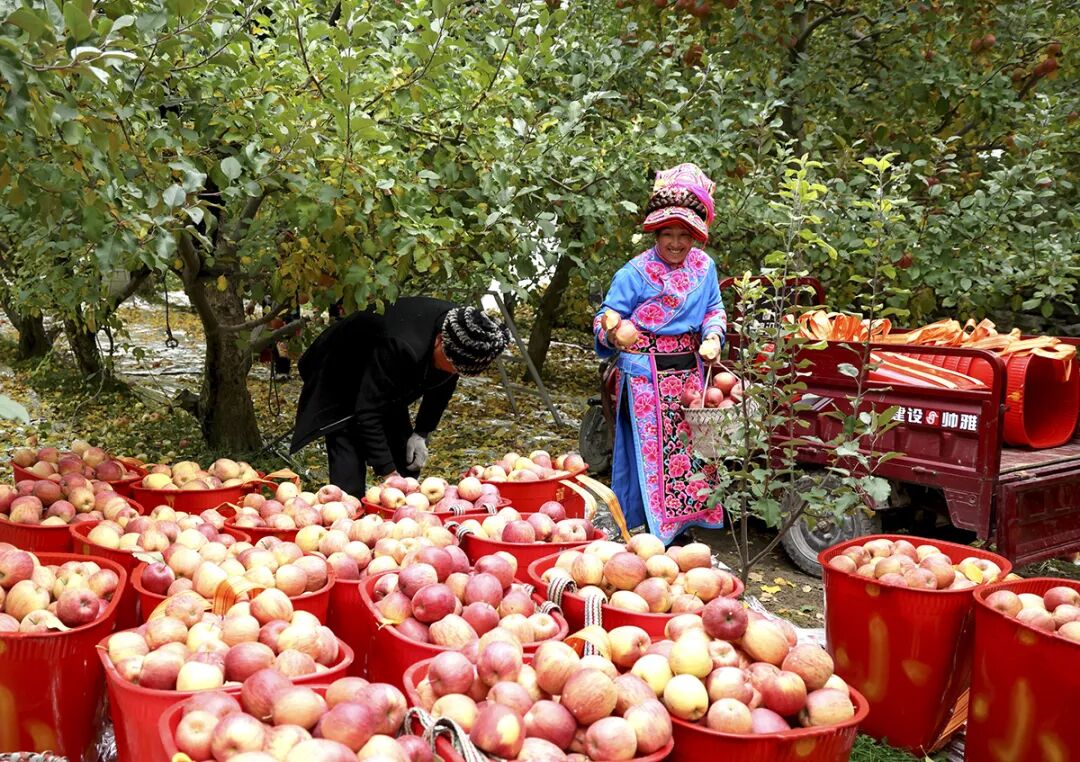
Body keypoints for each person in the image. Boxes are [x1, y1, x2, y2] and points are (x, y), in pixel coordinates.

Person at [593, 163, 727, 545]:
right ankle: (654, 533)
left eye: (684, 235)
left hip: (691, 375)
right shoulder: (633, 273)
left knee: (692, 455)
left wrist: (714, 335)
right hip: (645, 377)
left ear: (695, 236)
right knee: (652, 460)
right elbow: (606, 315)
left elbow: (714, 308)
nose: (675, 243)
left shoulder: (705, 267)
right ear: (655, 232)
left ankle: (685, 530)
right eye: (667, 233)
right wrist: (613, 330)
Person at [290, 298, 510, 496]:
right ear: (439, 341)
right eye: (453, 366)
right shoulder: (402, 346)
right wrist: (388, 473)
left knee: (407, 465)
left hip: (386, 377)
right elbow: (368, 411)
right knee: (349, 479)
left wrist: (422, 432)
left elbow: (443, 383)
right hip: (341, 373)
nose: (454, 372)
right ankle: (348, 516)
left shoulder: (462, 332)